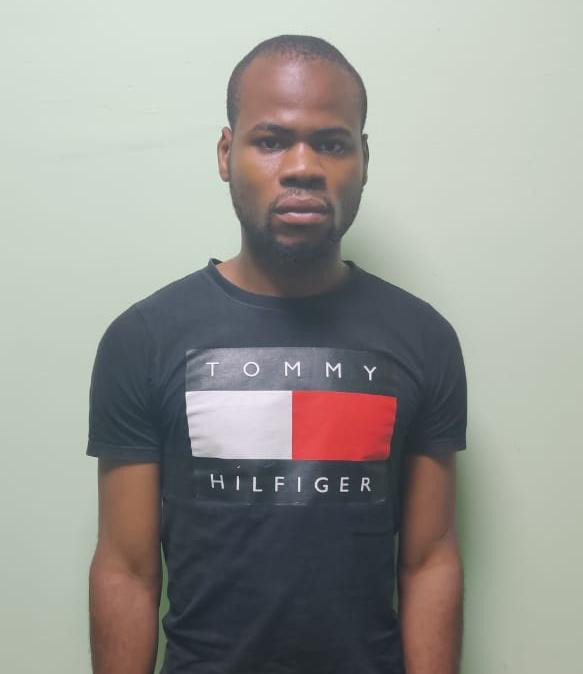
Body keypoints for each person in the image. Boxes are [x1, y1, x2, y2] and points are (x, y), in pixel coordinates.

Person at [86, 34, 468, 674]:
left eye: (332, 144)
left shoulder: (423, 338)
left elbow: (429, 561)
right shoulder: (143, 338)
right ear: (226, 153)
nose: (302, 167)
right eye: (271, 140)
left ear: (363, 159)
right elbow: (126, 569)